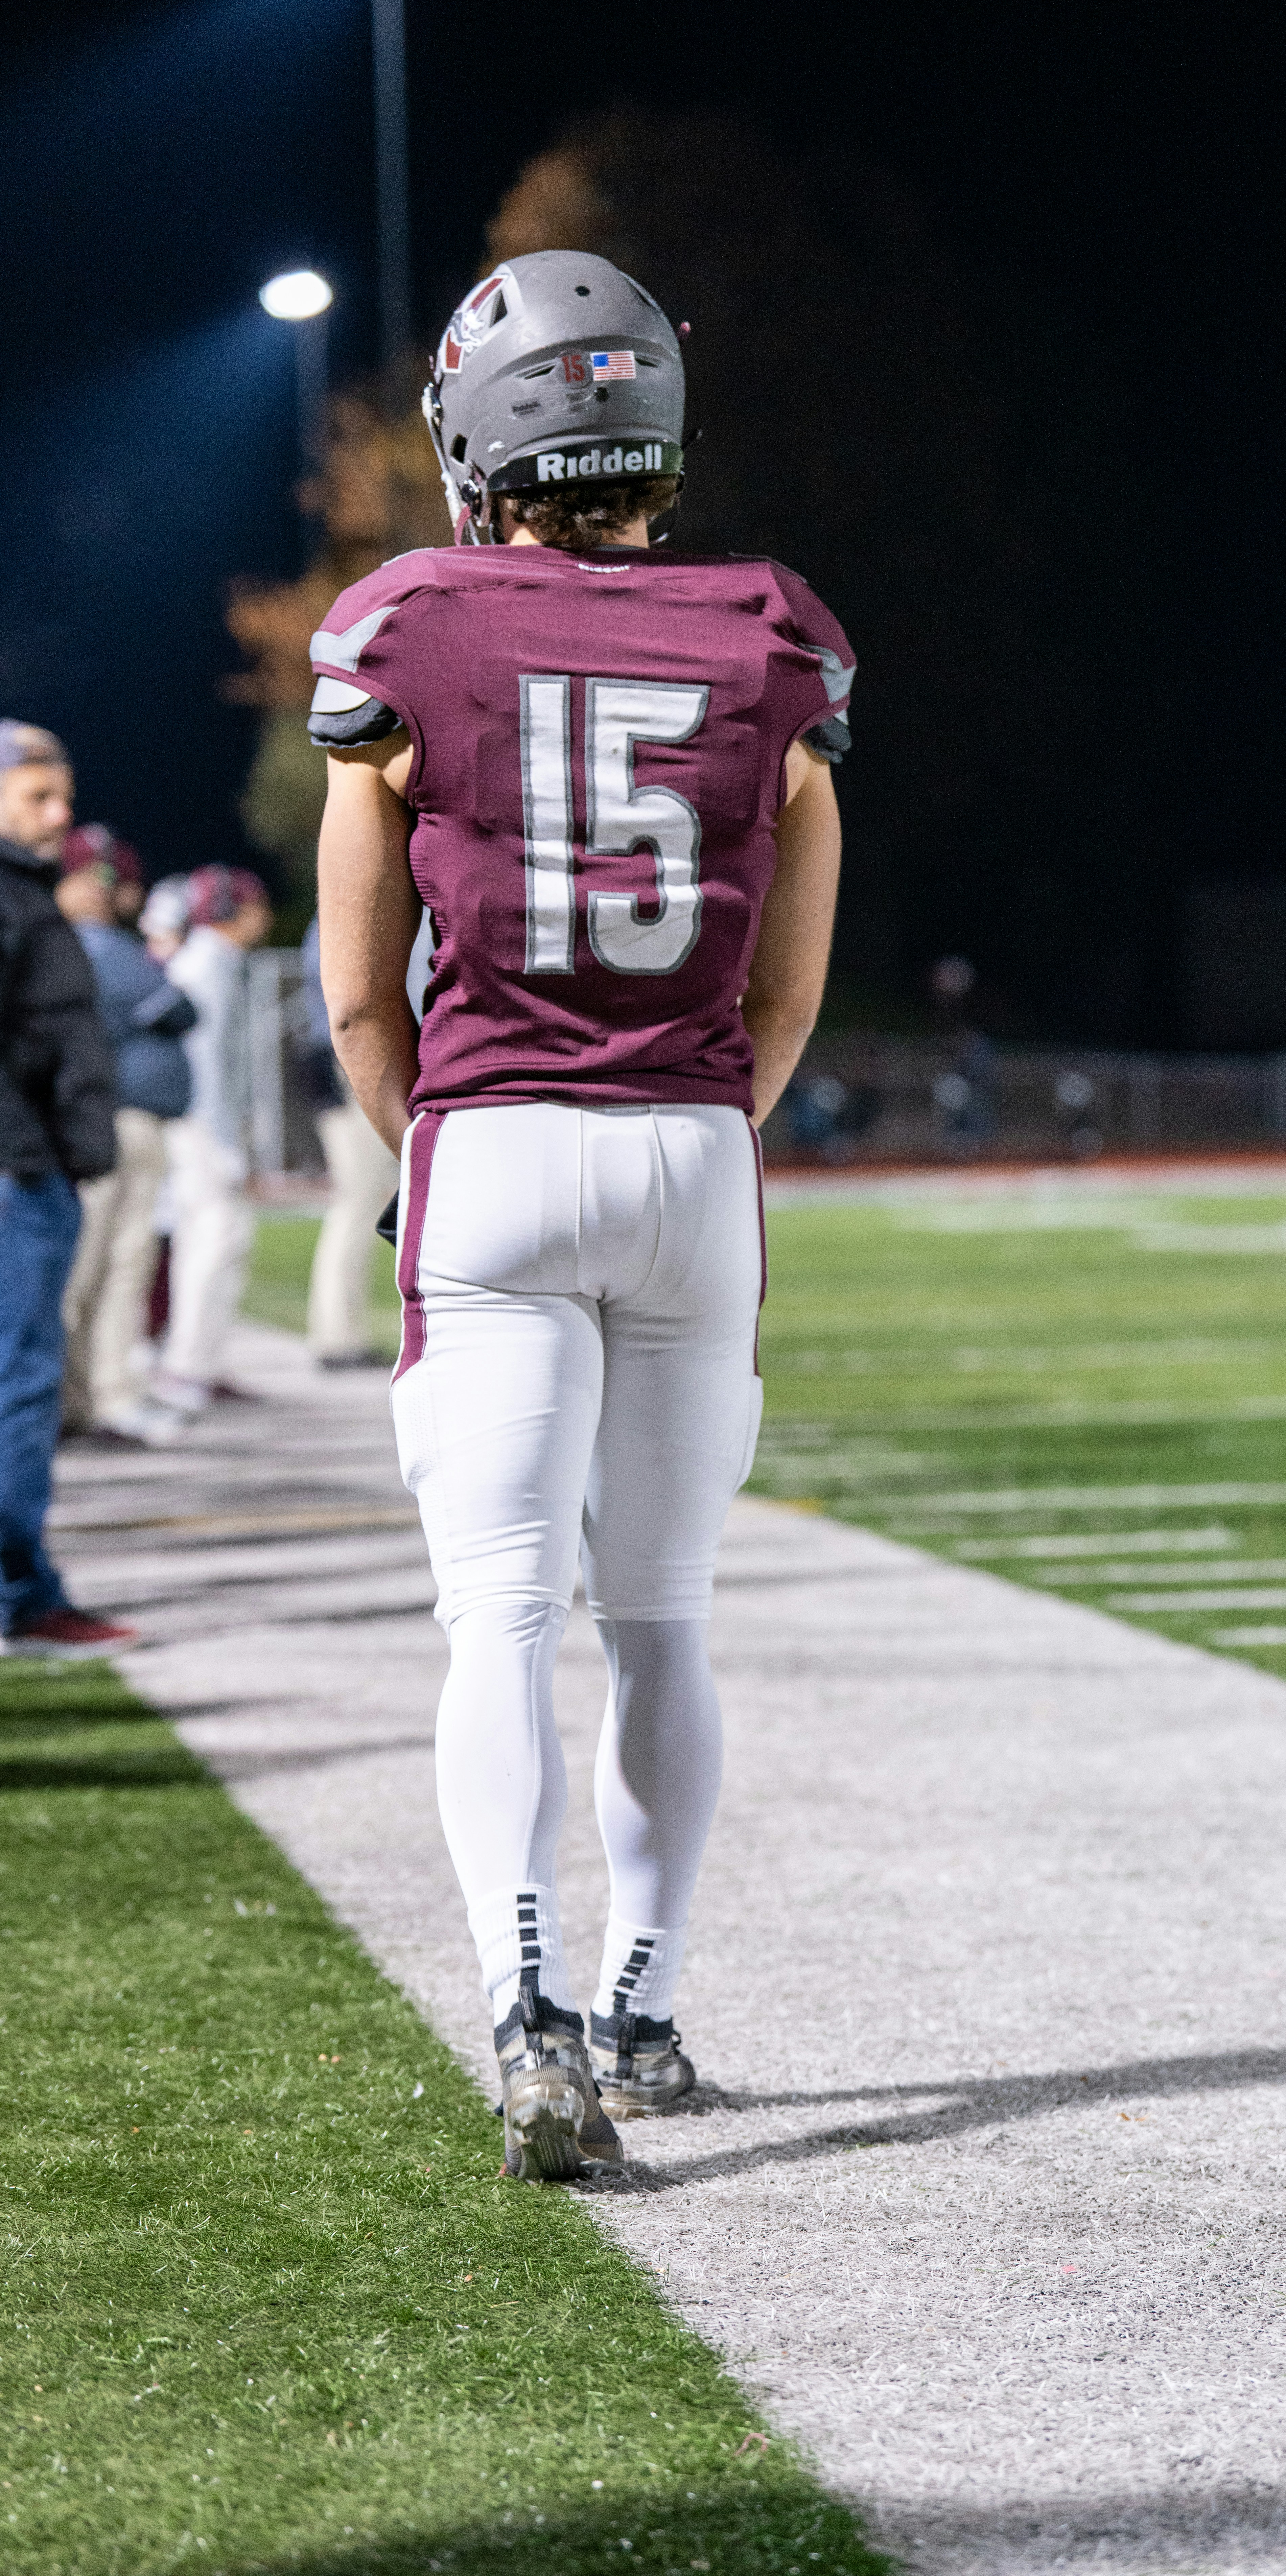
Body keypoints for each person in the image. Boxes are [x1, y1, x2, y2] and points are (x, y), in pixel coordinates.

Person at [314, 251, 848, 2178]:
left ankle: (528, 2015)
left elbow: (363, 990)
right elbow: (786, 991)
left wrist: (427, 1138)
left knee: (500, 1619)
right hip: (695, 1155)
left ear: (478, 434)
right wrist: (696, 1115)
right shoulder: (771, 631)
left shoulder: (405, 624)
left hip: (495, 1146)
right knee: (665, 1619)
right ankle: (644, 2007)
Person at [0, 722, 136, 1656]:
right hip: (16, 1176)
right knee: (20, 1386)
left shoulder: (26, 891)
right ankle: (20, 1594)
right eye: (39, 796)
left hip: (32, 1169)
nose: (62, 813)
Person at [53, 827, 196, 1444]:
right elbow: (181, 1010)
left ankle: (92, 1398)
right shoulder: (89, 944)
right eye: (94, 876)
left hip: (97, 1121)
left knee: (107, 1266)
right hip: (101, 1121)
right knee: (92, 1269)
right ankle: (86, 1399)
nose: (104, 891)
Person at [148, 865, 272, 1420]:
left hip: (202, 1122)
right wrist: (225, 1142)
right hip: (201, 1124)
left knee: (213, 1241)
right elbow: (207, 1068)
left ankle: (197, 1360)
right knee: (215, 1240)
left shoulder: (215, 961)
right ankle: (187, 1367)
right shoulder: (207, 965)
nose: (264, 915)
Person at [299, 912, 399, 1368]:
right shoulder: (344, 908)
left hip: (343, 1063)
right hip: (349, 1065)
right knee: (356, 1205)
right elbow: (352, 1004)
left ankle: (340, 1333)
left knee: (358, 1204)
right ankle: (337, 1337)